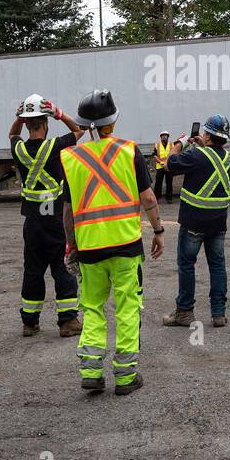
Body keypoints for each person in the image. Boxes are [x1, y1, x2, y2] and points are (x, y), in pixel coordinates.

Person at [61, 90, 165, 396]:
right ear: (112, 121)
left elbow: (68, 210)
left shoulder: (71, 157)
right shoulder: (128, 151)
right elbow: (147, 197)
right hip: (126, 245)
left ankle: (92, 370)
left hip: (90, 248)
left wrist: (72, 246)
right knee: (127, 307)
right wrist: (158, 230)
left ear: (84, 124)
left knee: (92, 307)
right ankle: (125, 375)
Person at [8, 92, 84, 338]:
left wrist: (19, 117)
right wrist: (60, 113)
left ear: (28, 123)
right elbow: (80, 131)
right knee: (61, 268)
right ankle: (67, 322)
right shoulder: (56, 145)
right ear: (46, 123)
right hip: (55, 220)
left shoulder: (19, 149)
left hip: (32, 222)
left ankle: (29, 323)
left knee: (32, 270)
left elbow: (12, 135)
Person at [163, 114, 230, 328]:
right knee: (217, 265)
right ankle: (218, 313)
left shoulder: (195, 155)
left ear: (208, 135)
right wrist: (204, 145)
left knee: (186, 265)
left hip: (193, 222)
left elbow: (169, 165)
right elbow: (211, 159)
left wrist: (180, 143)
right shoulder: (229, 159)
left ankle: (184, 311)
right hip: (218, 223)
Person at [152, 130, 176, 203]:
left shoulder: (172, 145)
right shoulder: (157, 145)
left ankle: (169, 198)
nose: (164, 137)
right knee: (158, 183)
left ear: (168, 137)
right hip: (160, 166)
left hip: (168, 166)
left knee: (169, 182)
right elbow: (155, 155)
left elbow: (174, 155)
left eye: (165, 135)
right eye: (163, 136)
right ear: (161, 137)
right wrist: (161, 162)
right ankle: (156, 198)